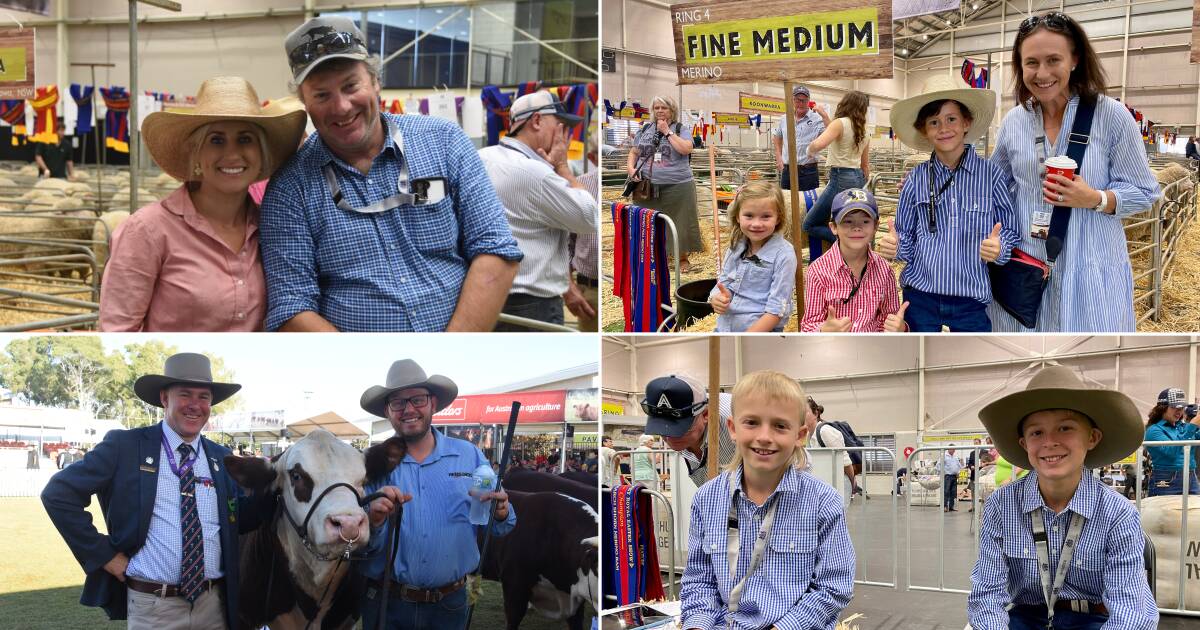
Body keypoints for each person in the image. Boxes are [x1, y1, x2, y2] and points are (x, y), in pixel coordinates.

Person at [261, 16, 522, 332]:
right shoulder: (290, 186)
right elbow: (292, 305)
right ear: (305, 103)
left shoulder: (444, 142)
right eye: (321, 95)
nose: (342, 106)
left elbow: (495, 249)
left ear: (375, 81)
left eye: (350, 86)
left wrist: (452, 353)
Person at [40, 353, 272, 630]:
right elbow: (58, 494)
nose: (195, 406)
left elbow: (239, 520)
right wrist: (105, 556)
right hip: (153, 606)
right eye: (185, 395)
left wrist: (274, 487)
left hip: (214, 606)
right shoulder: (125, 446)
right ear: (164, 399)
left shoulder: (220, 458)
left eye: (204, 397)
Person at [988, 12, 1160, 332]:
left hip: (1089, 270)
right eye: (1031, 63)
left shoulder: (1111, 116)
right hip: (1026, 272)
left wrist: (1096, 198)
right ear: (1020, 66)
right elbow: (991, 183)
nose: (1042, 73)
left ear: (1075, 60)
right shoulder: (1014, 121)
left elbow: (1146, 192)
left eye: (1054, 60)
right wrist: (938, 179)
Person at [99, 77, 305, 332]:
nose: (232, 154)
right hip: (176, 371)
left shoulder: (272, 229)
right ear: (196, 153)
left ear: (262, 153)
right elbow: (117, 332)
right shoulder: (147, 231)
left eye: (245, 139)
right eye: (216, 140)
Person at [969, 365, 1158, 630]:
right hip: (1023, 619)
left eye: (1065, 428)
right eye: (1036, 432)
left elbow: (1131, 611)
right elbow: (987, 594)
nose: (1049, 442)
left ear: (1092, 438)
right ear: (1024, 444)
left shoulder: (1118, 513)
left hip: (1093, 619)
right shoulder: (1001, 506)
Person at [679, 370, 854, 630]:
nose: (764, 436)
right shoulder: (706, 499)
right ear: (732, 429)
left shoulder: (823, 502)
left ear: (800, 435)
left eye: (780, 426)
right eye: (751, 422)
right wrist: (697, 624)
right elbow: (699, 580)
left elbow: (834, 586)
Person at [357, 359, 514, 630]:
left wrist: (500, 513)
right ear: (387, 410)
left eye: (417, 399)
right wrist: (373, 521)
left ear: (433, 403)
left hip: (449, 605)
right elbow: (356, 547)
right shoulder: (370, 465)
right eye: (398, 402)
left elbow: (499, 528)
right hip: (386, 603)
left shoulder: (470, 455)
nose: (408, 410)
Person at [881, 76, 1019, 332]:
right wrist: (896, 246)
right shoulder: (916, 179)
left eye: (951, 119)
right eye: (934, 122)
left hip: (971, 301)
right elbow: (905, 238)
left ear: (967, 122)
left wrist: (1000, 247)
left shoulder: (991, 176)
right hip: (920, 296)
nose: (943, 128)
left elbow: (1010, 230)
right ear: (925, 130)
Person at [478, 91, 597, 330]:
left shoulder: (481, 158)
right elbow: (590, 217)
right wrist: (562, 167)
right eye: (560, 126)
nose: (566, 136)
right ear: (536, 121)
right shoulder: (536, 173)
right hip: (532, 300)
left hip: (485, 295)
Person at [802, 188, 904, 332]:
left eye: (865, 221)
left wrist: (900, 328)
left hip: (873, 349)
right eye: (848, 221)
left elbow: (889, 318)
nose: (857, 228)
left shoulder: (884, 270)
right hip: (834, 349)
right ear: (834, 227)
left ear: (875, 226)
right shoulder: (818, 271)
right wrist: (823, 330)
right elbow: (808, 325)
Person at [625, 95, 702, 274]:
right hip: (646, 186)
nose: (660, 111)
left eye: (664, 108)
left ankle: (682, 259)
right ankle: (659, 258)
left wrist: (667, 131)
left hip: (678, 185)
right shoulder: (645, 128)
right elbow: (634, 152)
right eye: (657, 108)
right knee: (649, 221)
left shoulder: (681, 129)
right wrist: (630, 168)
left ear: (672, 110)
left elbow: (686, 149)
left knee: (680, 222)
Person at [707, 180, 797, 332]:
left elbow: (777, 308)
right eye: (749, 216)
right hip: (725, 328)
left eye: (765, 217)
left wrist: (746, 338)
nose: (756, 224)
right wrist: (716, 298)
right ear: (737, 216)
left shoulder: (784, 255)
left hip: (760, 335)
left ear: (778, 218)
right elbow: (724, 283)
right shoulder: (736, 246)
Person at [802, 90, 871, 262]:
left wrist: (809, 150)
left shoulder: (840, 123)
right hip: (857, 178)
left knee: (809, 224)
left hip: (840, 177)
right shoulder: (864, 129)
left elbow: (819, 144)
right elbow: (865, 165)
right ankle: (853, 248)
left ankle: (845, 244)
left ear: (845, 103)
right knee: (848, 219)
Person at [642, 373, 734, 489]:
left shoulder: (734, 417)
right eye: (663, 430)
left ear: (706, 414)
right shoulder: (685, 435)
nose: (670, 438)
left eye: (680, 429)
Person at [566, 131, 601, 331]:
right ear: (592, 158)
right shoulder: (580, 187)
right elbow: (566, 240)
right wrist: (569, 285)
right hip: (590, 290)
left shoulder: (629, 182)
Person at [1143, 387, 1200, 496]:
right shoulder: (1154, 430)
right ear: (1162, 408)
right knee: (1165, 513)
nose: (1180, 411)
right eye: (1175, 407)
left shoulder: (1183, 427)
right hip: (1166, 479)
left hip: (1191, 477)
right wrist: (1192, 426)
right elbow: (1171, 451)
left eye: (1182, 407)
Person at [773, 85, 829, 191]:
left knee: (809, 204)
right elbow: (777, 136)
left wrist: (825, 116)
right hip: (788, 170)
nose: (801, 103)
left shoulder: (817, 119)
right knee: (786, 202)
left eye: (804, 100)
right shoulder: (784, 119)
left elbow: (830, 133)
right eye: (798, 100)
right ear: (793, 100)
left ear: (808, 101)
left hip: (808, 171)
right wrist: (779, 157)